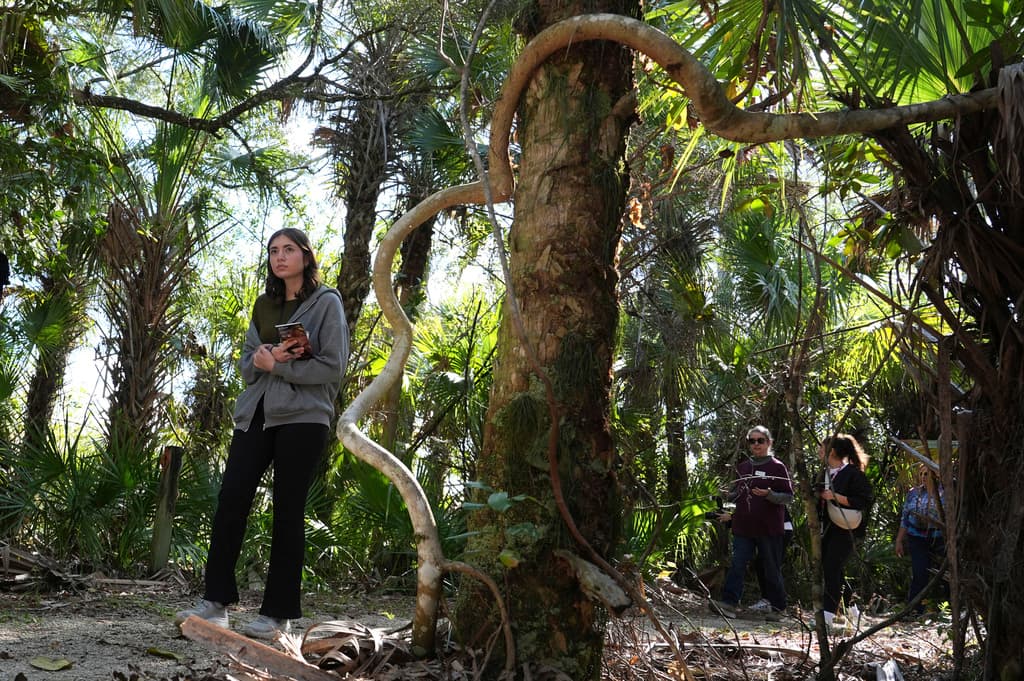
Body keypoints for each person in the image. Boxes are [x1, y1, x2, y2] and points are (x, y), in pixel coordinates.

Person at [175, 228, 349, 639]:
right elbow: (246, 364)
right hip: (255, 415)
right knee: (231, 499)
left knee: (288, 512)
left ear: (306, 256)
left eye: (289, 250)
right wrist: (264, 359)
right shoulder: (264, 305)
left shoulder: (326, 303)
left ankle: (277, 615)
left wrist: (280, 366)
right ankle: (215, 603)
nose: (280, 257)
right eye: (273, 251)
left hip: (303, 418)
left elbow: (332, 367)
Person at [711, 425, 793, 620]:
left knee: (771, 568)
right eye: (752, 441)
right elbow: (738, 494)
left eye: (760, 440)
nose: (756, 444)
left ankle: (779, 609)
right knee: (737, 564)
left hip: (768, 528)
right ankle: (729, 604)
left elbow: (788, 497)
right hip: (743, 527)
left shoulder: (777, 467)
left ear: (769, 443)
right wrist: (726, 494)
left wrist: (769, 494)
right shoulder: (744, 467)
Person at [816, 433, 873, 631]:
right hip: (828, 528)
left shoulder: (853, 473)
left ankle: (828, 616)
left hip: (846, 529)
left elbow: (864, 500)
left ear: (831, 451)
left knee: (832, 567)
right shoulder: (824, 472)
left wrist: (836, 497)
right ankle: (853, 611)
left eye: (822, 448)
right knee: (834, 570)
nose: (819, 451)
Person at [895, 464, 945, 614]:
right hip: (916, 536)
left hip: (939, 537)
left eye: (927, 474)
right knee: (919, 573)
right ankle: (915, 610)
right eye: (921, 474)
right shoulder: (913, 494)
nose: (923, 477)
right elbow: (905, 517)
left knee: (945, 573)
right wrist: (899, 540)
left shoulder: (945, 494)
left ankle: (947, 608)